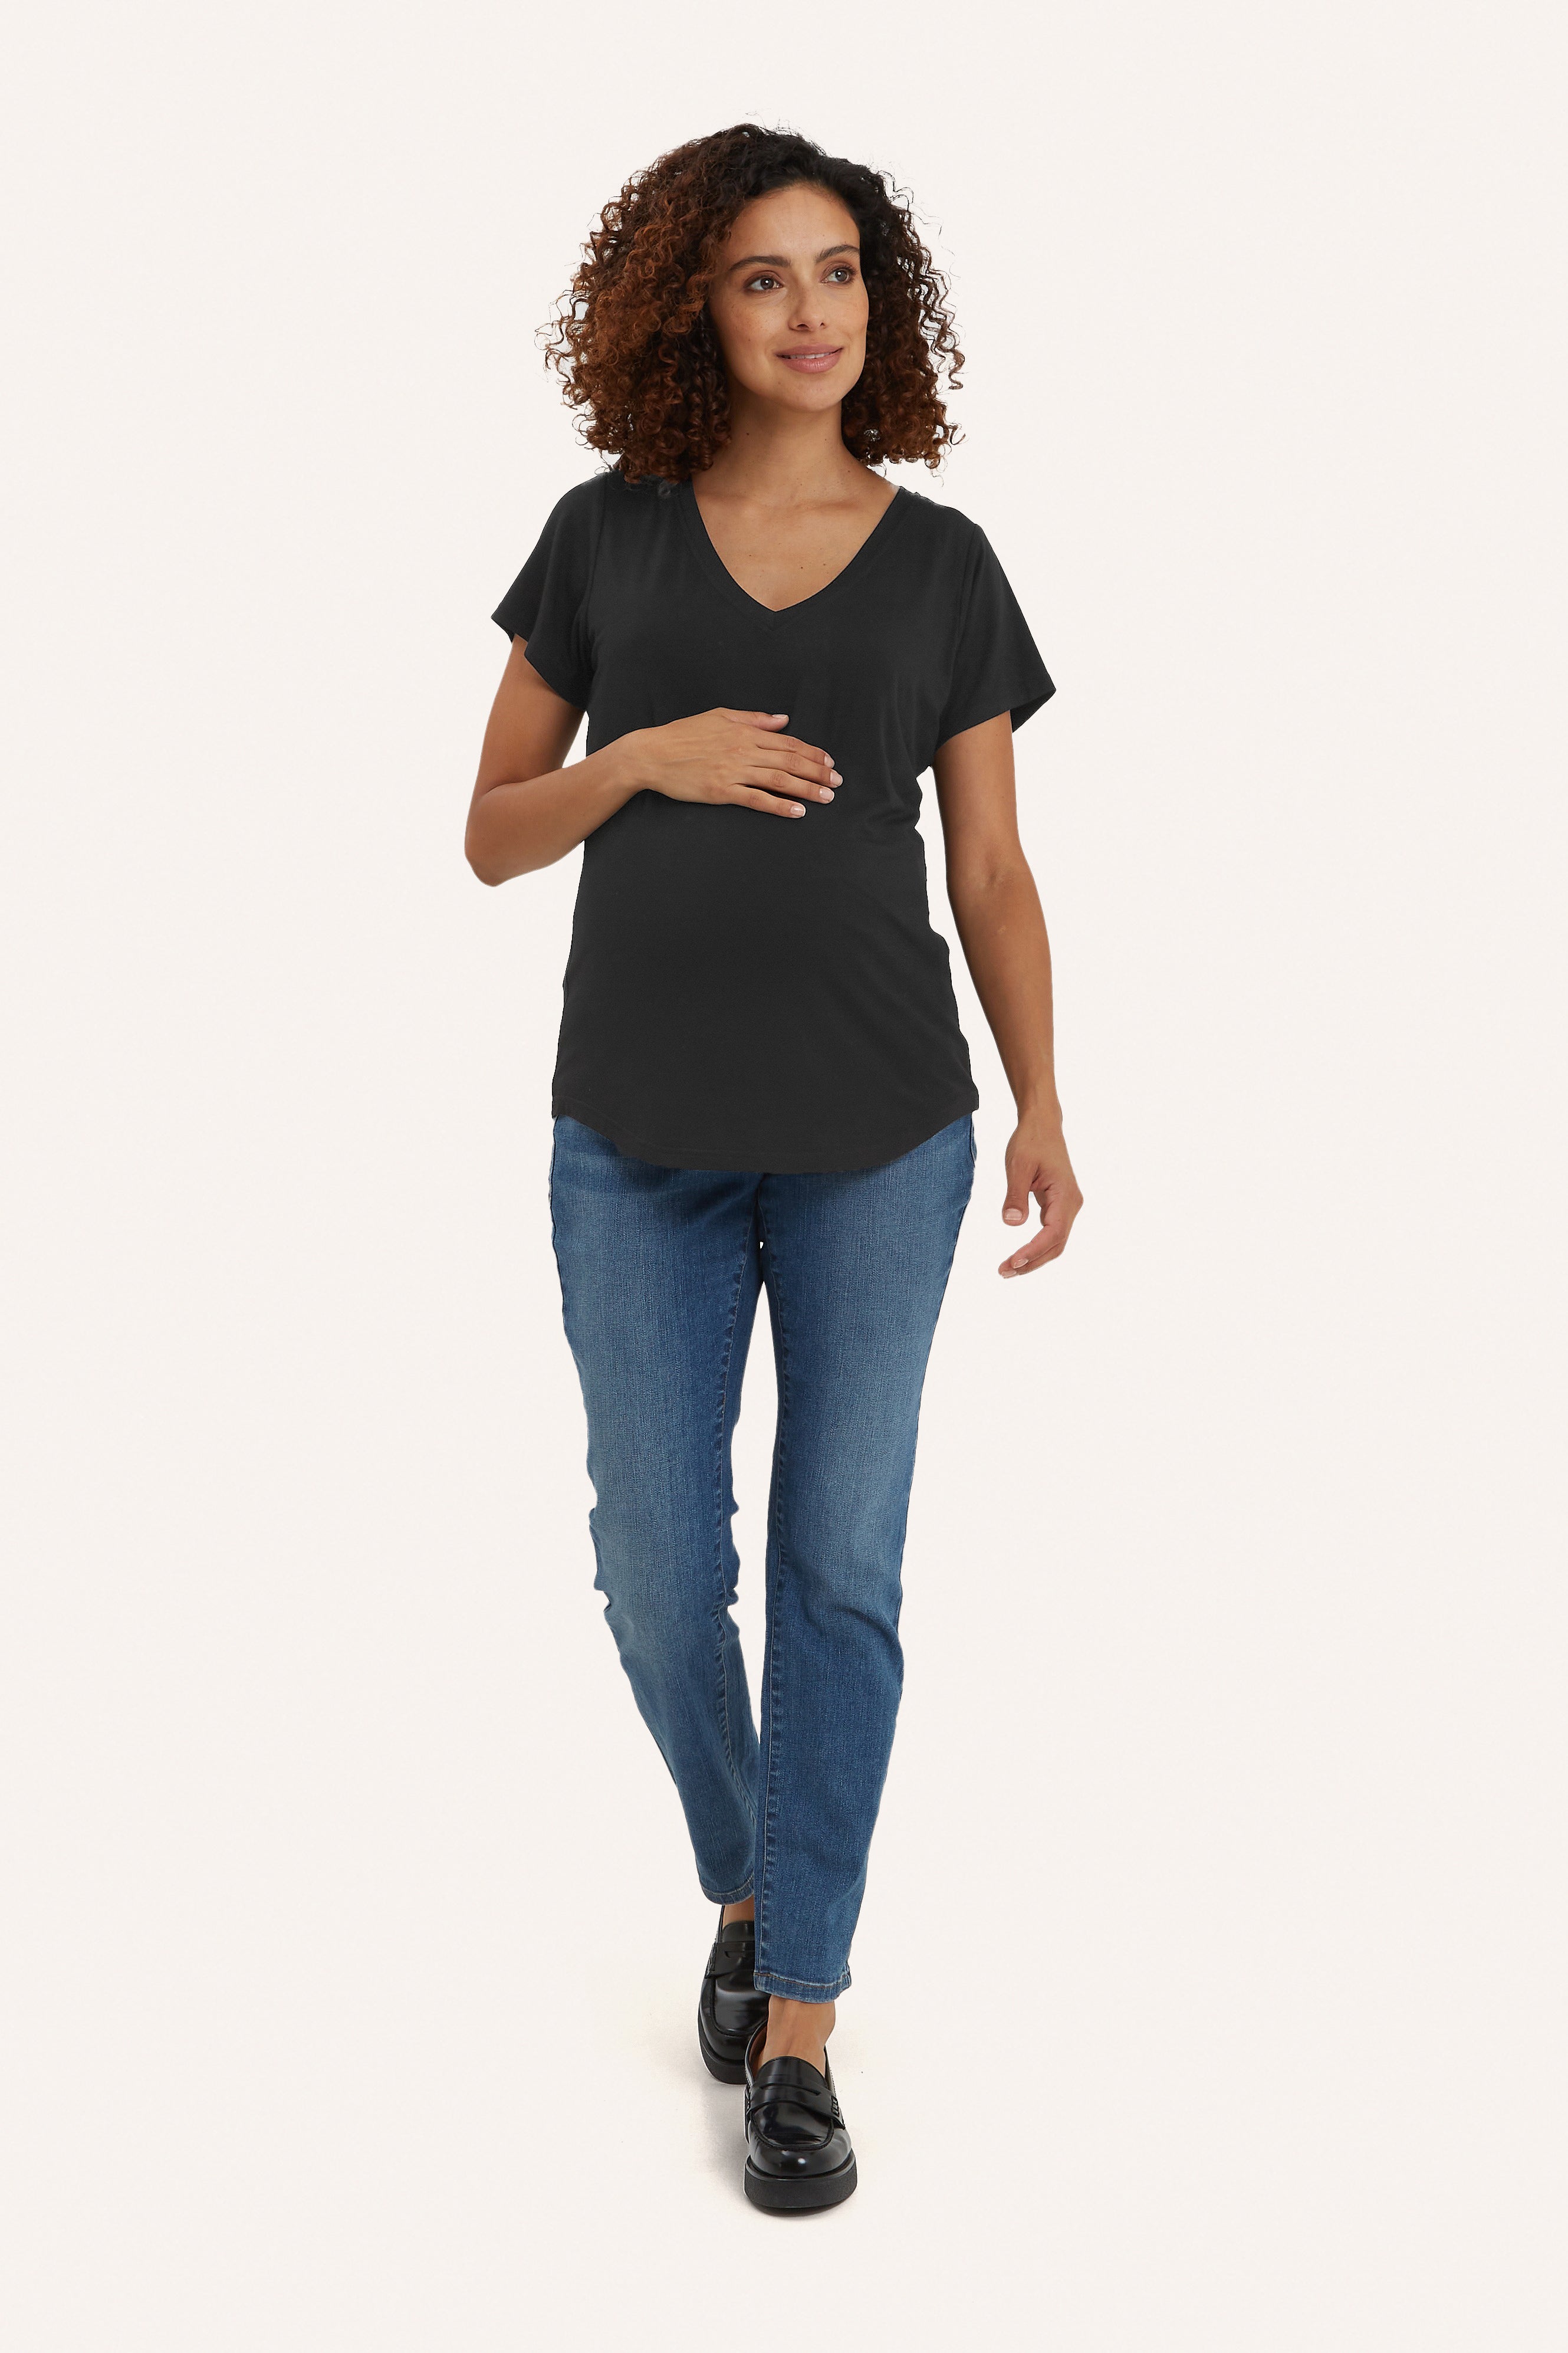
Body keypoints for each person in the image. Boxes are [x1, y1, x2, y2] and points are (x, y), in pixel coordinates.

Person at [466, 123, 1082, 2212]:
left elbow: (988, 869)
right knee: (656, 1568)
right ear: (691, 309)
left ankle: (797, 2016)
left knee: (838, 1571)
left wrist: (1044, 1103)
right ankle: (751, 1881)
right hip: (632, 1140)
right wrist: (641, 756)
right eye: (761, 277)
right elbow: (489, 831)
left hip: (878, 1140)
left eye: (837, 272)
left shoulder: (945, 564)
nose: (809, 312)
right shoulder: (605, 538)